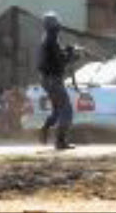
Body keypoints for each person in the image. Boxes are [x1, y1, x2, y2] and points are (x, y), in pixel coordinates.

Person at [37, 11, 79, 150]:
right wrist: (72, 56)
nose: (58, 26)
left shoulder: (48, 39)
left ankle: (45, 129)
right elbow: (60, 61)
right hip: (53, 80)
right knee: (66, 110)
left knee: (57, 110)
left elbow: (57, 55)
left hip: (47, 80)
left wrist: (67, 50)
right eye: (56, 24)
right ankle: (60, 141)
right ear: (53, 26)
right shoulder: (51, 40)